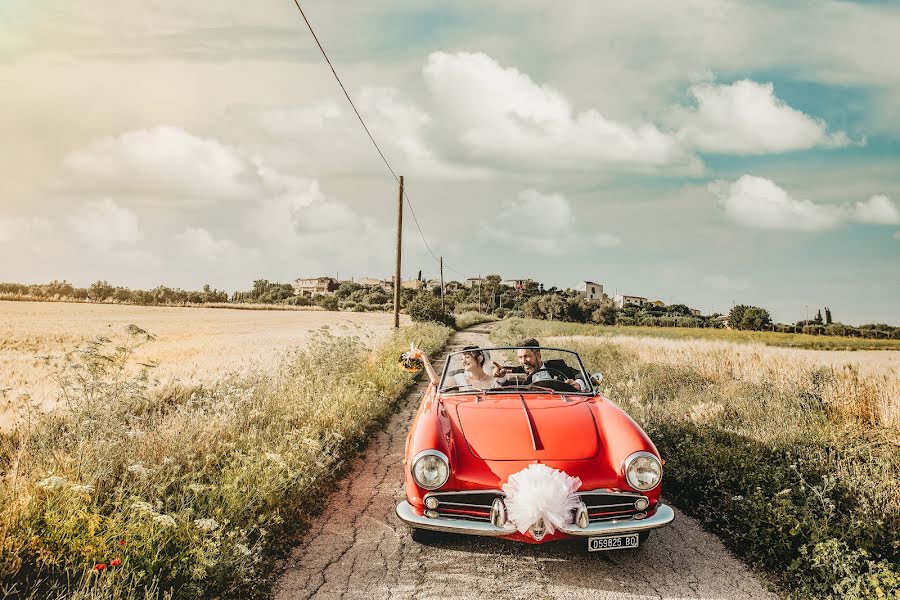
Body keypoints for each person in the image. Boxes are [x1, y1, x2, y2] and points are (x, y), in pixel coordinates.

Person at [492, 338, 587, 391]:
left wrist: (578, 383)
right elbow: (506, 390)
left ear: (538, 355)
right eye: (520, 357)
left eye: (527, 356)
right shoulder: (518, 372)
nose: (523, 361)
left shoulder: (557, 366)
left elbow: (583, 375)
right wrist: (501, 377)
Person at [409, 345, 500, 391]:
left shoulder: (493, 380)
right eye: (462, 359)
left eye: (467, 357)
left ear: (479, 359)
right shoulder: (460, 378)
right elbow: (435, 380)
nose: (463, 362)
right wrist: (423, 356)